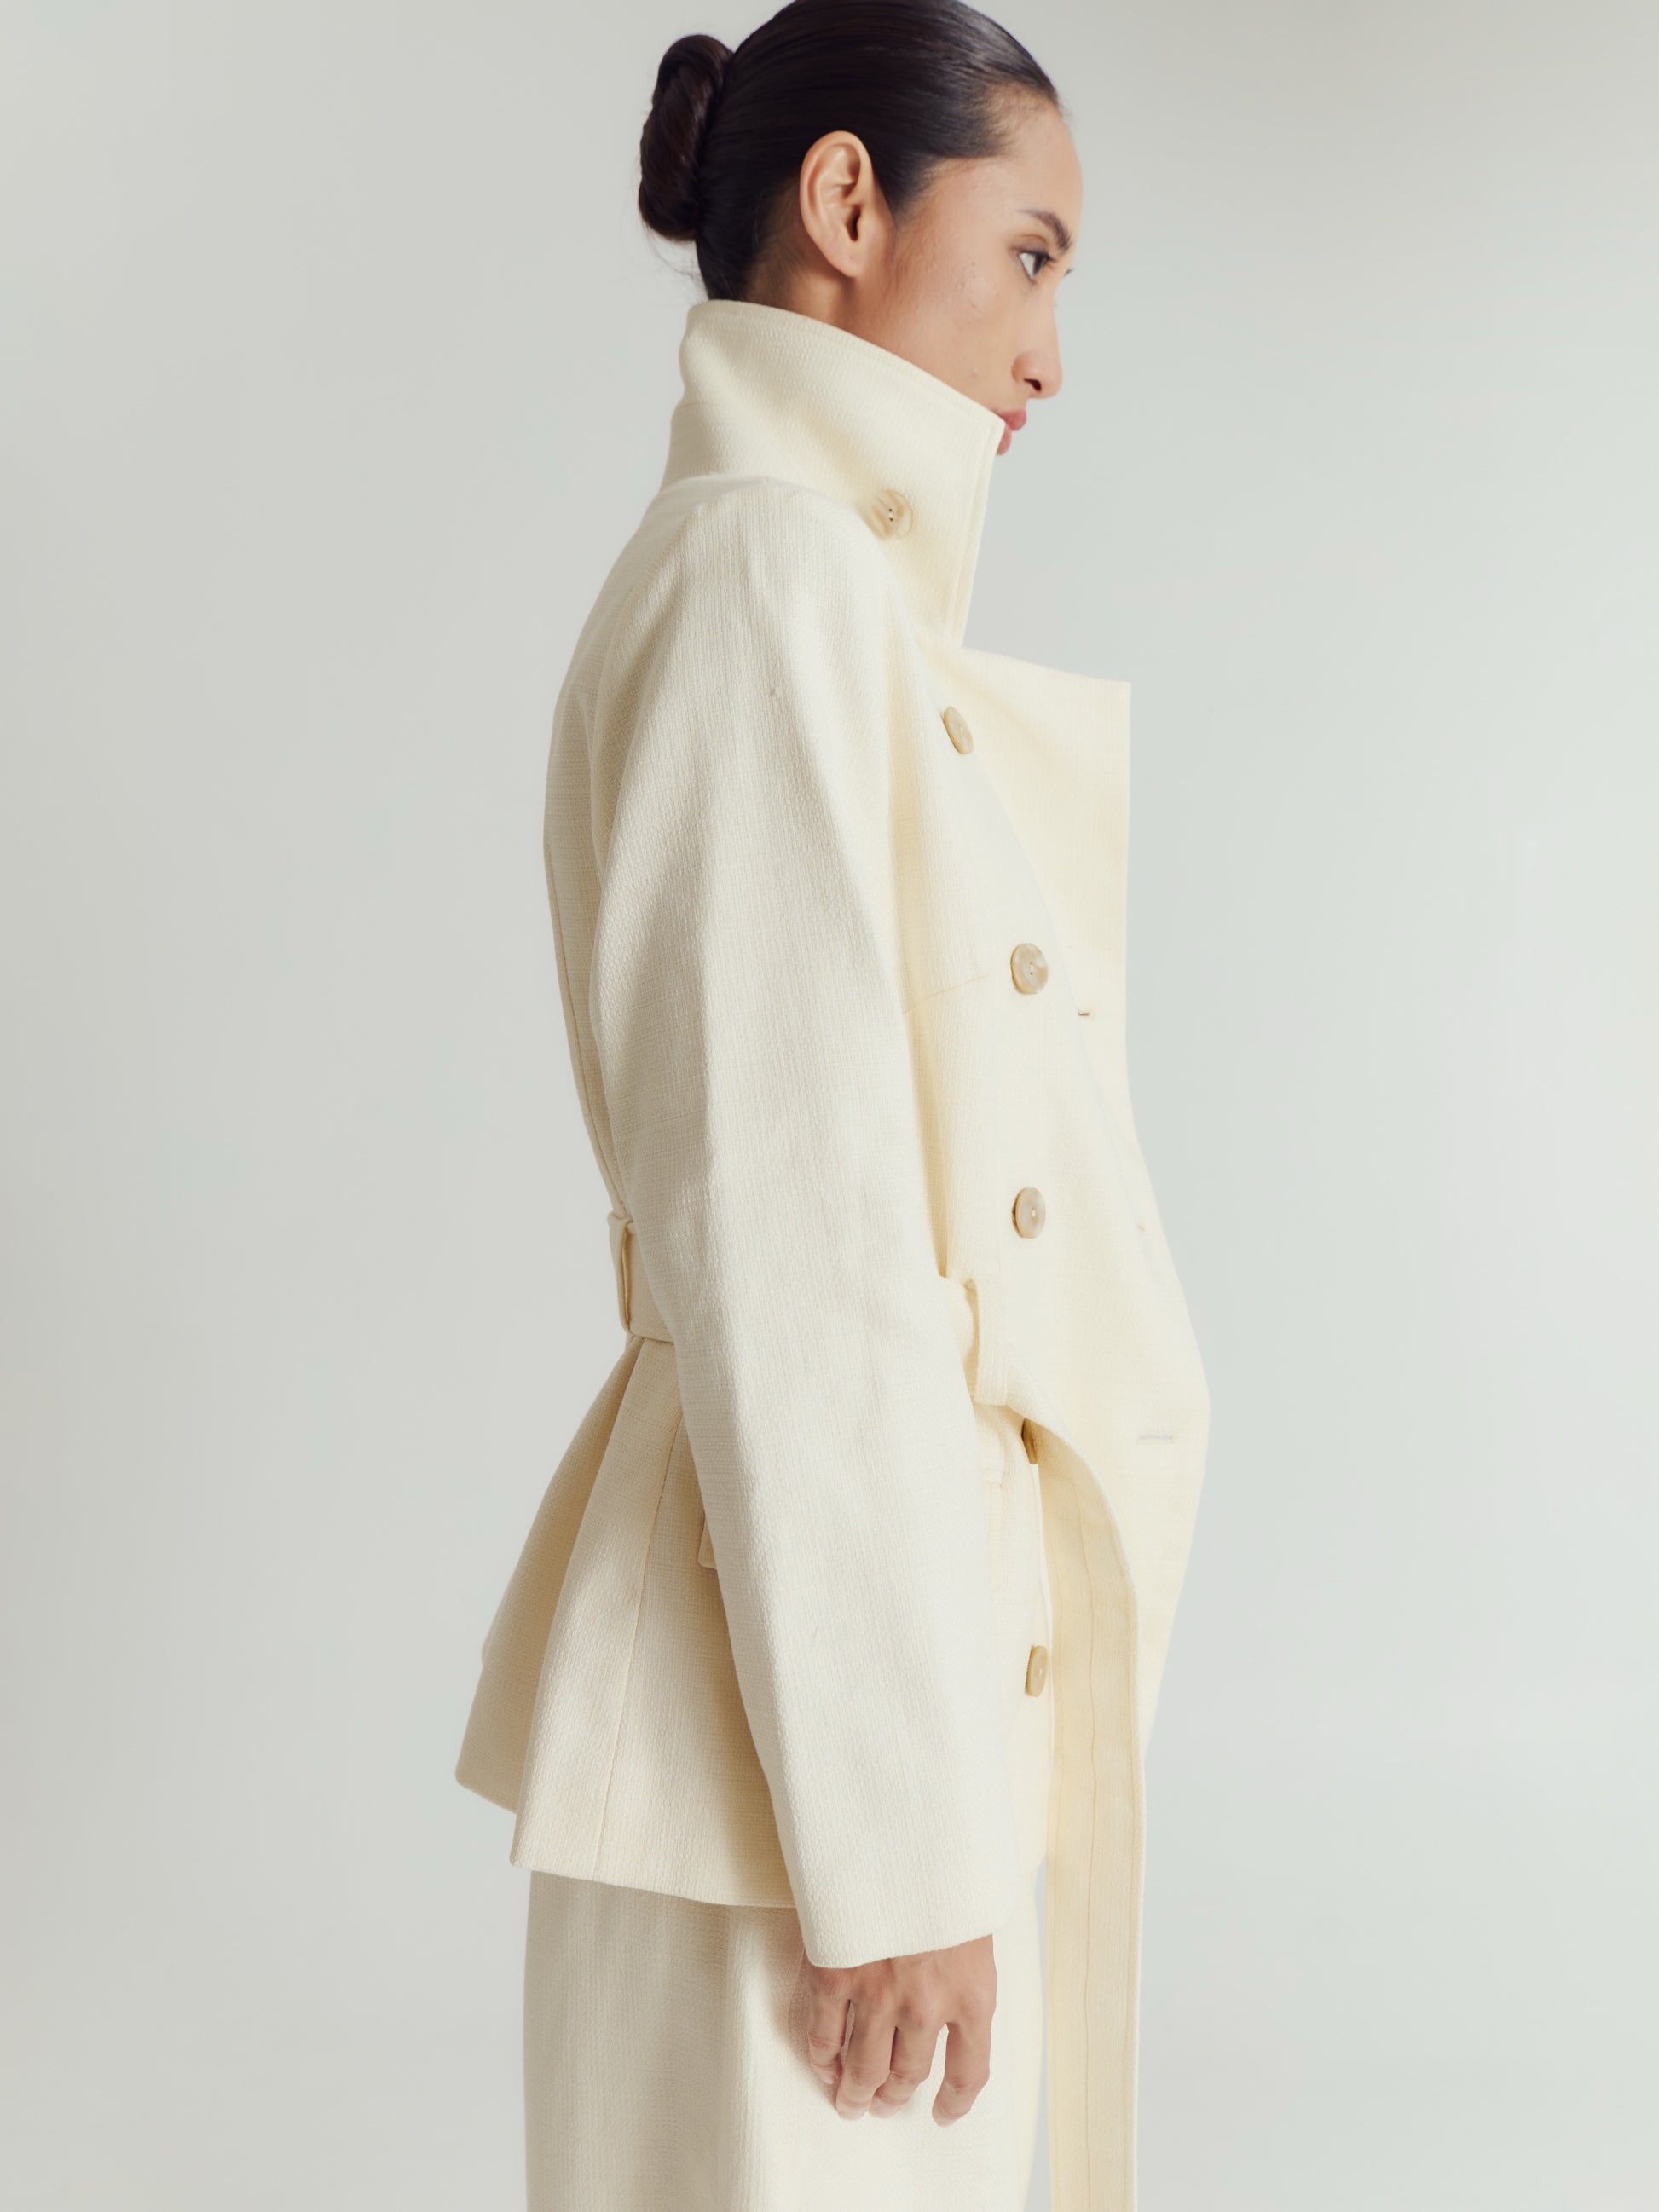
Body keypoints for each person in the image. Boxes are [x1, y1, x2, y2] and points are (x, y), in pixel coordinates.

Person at [454, 3, 1211, 2207]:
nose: (1051, 352)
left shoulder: (809, 589)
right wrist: (896, 1851)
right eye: (1032, 255)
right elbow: (793, 1241)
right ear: (849, 204)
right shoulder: (764, 575)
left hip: (830, 1734)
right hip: (803, 1789)